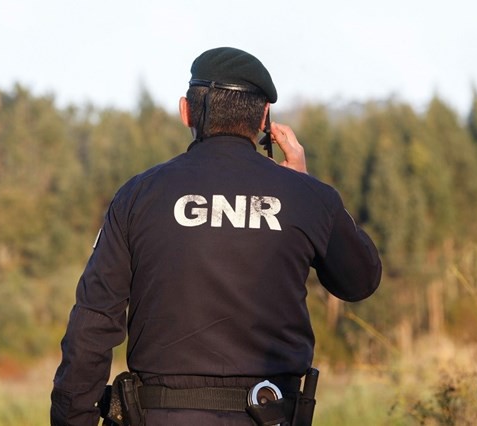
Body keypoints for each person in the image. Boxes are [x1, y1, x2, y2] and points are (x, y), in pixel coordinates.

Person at [50, 47, 382, 426]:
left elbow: (93, 321)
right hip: (269, 415)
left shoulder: (138, 196)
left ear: (186, 112)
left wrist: (72, 418)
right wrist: (306, 188)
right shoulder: (306, 196)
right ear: (263, 120)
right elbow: (360, 281)